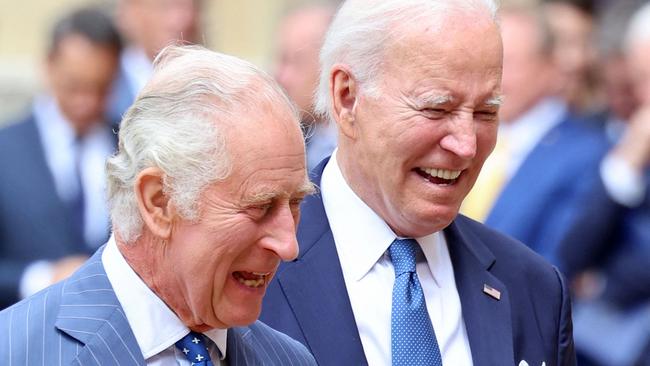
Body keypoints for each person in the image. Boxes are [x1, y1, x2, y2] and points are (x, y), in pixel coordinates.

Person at [260, 0, 576, 365]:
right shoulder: (250, 272)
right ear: (347, 98)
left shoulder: (534, 291)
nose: (466, 145)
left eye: (486, 112)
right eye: (436, 109)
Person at [0, 45, 316, 366]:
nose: (289, 245)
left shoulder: (289, 359)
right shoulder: (17, 352)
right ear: (159, 202)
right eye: (260, 206)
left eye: (295, 203)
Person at [460, 1, 607, 264]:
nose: (493, 81)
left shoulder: (585, 153)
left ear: (550, 66)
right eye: (484, 64)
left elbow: (559, 260)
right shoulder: (455, 133)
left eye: (507, 64)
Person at [0, 7, 120, 310]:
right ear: (48, 66)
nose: (87, 102)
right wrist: (40, 277)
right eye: (75, 86)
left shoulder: (129, 145)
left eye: (101, 88)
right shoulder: (6, 148)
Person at [559, 2, 650, 364]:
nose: (641, 96)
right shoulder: (602, 136)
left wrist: (604, 285)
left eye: (645, 80)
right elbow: (571, 250)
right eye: (638, 79)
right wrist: (626, 163)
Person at [107, 0, 202, 124]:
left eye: (194, 7)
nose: (184, 20)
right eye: (166, 6)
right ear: (130, 12)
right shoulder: (104, 95)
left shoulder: (215, 89)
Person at [274, 4, 337, 172]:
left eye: (295, 62)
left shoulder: (362, 151)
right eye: (281, 60)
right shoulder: (284, 143)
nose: (281, 76)